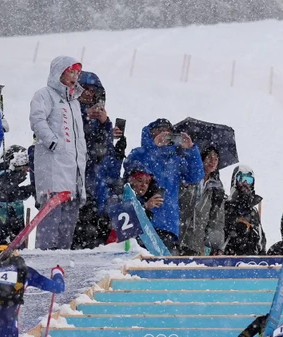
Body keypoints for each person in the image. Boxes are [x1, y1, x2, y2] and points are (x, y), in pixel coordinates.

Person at [30, 56, 88, 249]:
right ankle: (43, 260)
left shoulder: (75, 102)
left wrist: (81, 156)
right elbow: (37, 120)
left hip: (74, 172)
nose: (75, 76)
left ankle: (61, 262)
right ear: (59, 73)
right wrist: (53, 142)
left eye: (77, 73)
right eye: (71, 71)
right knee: (50, 223)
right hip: (53, 170)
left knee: (67, 229)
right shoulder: (44, 95)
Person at [124, 119, 205, 251]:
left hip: (168, 225)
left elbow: (195, 177)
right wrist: (154, 147)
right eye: (159, 130)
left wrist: (191, 149)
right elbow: (129, 167)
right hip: (141, 220)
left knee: (162, 262)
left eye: (168, 131)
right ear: (151, 133)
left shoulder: (175, 159)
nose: (164, 133)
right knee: (136, 259)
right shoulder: (140, 153)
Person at [72, 71, 122, 249]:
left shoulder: (101, 120)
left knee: (92, 245)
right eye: (84, 88)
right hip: (73, 186)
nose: (88, 93)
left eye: (93, 90)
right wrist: (85, 117)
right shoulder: (68, 112)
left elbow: (103, 154)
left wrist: (104, 124)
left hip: (94, 191)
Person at [178, 145, 227, 256]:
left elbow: (217, 221)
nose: (212, 162)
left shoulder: (217, 189)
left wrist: (215, 246)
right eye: (209, 157)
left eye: (216, 159)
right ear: (202, 158)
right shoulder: (188, 177)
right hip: (179, 237)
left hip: (197, 243)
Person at [0, 146, 34, 247]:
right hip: (0, 223)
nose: (26, 170)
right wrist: (29, 189)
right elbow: (8, 191)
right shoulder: (1, 174)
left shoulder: (11, 176)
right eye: (24, 166)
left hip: (14, 221)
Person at [222, 165, 265, 255]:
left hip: (250, 260)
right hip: (227, 258)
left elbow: (261, 241)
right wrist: (233, 227)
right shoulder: (224, 206)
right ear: (235, 181)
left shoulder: (253, 211)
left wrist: (251, 233)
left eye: (249, 180)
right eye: (241, 179)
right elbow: (216, 234)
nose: (245, 183)